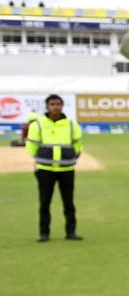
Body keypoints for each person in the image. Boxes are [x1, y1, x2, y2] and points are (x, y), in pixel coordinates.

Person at [27, 94, 83, 242]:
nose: (55, 107)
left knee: (69, 202)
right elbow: (32, 145)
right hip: (45, 169)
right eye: (52, 104)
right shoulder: (37, 124)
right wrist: (41, 159)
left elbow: (77, 144)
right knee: (45, 202)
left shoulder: (71, 124)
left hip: (66, 169)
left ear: (62, 106)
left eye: (58, 104)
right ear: (47, 106)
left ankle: (71, 232)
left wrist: (72, 157)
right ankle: (44, 233)